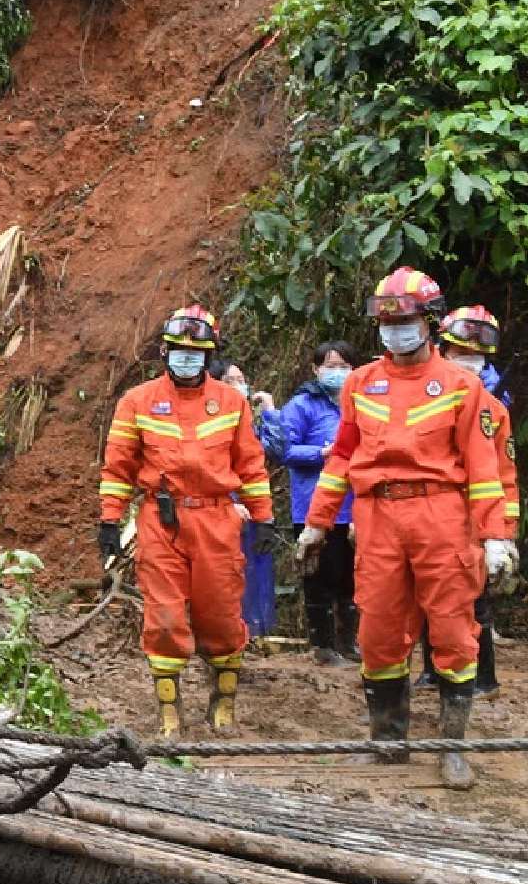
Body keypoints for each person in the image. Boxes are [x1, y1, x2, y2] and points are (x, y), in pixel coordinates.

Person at [296, 269, 515, 789]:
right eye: (387, 322)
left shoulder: (462, 386)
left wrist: (497, 537)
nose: (395, 330)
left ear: (430, 322)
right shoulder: (360, 383)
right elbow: (342, 457)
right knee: (378, 631)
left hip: (442, 517)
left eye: (405, 320)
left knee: (453, 631)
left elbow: (484, 470)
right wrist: (317, 523)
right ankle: (387, 743)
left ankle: (452, 747)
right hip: (377, 519)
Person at [99, 307, 274, 737]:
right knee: (164, 617)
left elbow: (251, 465)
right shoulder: (137, 401)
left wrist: (264, 518)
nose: (186, 358)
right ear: (164, 351)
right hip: (161, 521)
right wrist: (109, 521)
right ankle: (169, 711)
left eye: (196, 352)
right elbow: (118, 468)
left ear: (210, 355)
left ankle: (223, 702)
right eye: (178, 350)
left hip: (217, 519)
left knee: (221, 615)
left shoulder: (231, 402)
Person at [419, 306, 518, 699]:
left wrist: (503, 535)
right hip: (427, 515)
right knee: (426, 597)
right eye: (461, 353)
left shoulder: (494, 410)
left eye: (476, 356)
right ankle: (431, 672)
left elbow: (504, 475)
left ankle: (483, 678)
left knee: (474, 602)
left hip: (474, 518)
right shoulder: (422, 398)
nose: (468, 361)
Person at [267, 341, 359, 666]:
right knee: (318, 577)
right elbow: (283, 450)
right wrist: (320, 453)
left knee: (352, 578)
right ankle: (323, 647)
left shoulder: (360, 402)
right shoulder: (302, 405)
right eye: (331, 366)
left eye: (344, 366)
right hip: (312, 507)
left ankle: (350, 643)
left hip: (356, 508)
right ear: (316, 369)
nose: (338, 373)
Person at [217, 363, 276, 642]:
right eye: (230, 380)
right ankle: (229, 634)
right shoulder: (212, 421)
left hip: (253, 505)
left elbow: (273, 450)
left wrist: (270, 412)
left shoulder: (249, 420)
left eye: (241, 380)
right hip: (221, 508)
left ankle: (255, 632)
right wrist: (227, 502)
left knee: (256, 570)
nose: (238, 386)